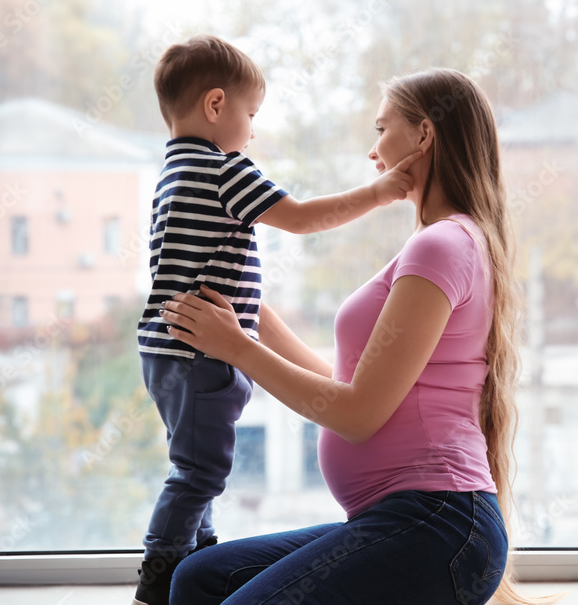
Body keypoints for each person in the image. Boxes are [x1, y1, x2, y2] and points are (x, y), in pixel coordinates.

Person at [159, 68, 543, 605]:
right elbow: (343, 384)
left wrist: (237, 348)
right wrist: (245, 309)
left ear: (424, 135)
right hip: (406, 519)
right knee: (198, 577)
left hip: (438, 526)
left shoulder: (443, 247)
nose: (373, 151)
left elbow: (358, 413)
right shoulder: (442, 244)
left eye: (382, 129)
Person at [134, 35, 419, 605]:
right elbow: (300, 218)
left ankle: (198, 560)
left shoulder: (171, 172)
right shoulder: (223, 169)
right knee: (200, 473)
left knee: (195, 463)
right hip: (201, 354)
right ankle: (159, 582)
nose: (253, 131)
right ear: (217, 106)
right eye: (251, 114)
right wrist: (380, 192)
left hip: (163, 351)